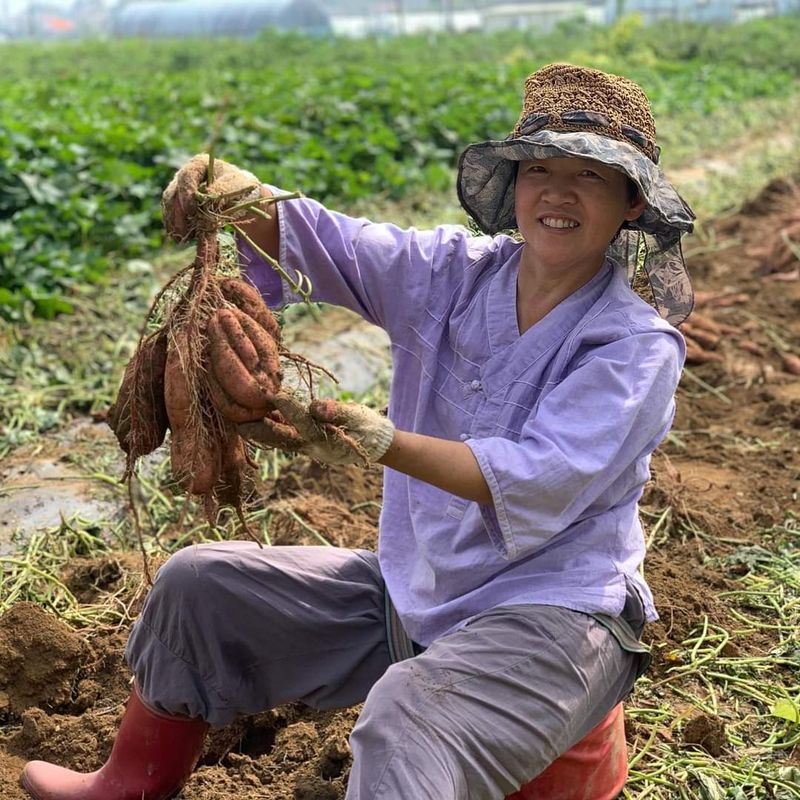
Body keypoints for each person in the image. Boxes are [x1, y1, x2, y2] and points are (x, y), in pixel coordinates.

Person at [21, 62, 695, 800]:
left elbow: (541, 473)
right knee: (198, 585)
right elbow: (335, 245)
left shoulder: (633, 345)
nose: (557, 193)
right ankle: (128, 783)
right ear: (515, 185)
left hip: (554, 622)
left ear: (630, 202)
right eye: (540, 168)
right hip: (422, 594)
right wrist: (239, 193)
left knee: (407, 714)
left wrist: (379, 439)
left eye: (590, 177)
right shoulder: (453, 274)